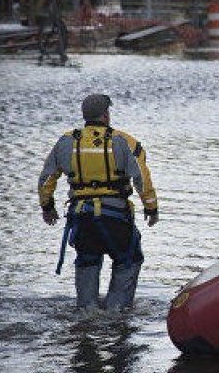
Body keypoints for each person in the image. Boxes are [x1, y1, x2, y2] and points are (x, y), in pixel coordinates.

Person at [38, 94, 159, 312]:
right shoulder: (125, 141)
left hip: (82, 217)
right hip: (116, 216)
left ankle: (87, 312)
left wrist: (47, 207)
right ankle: (117, 312)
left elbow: (47, 178)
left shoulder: (67, 141)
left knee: (87, 261)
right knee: (128, 260)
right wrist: (151, 208)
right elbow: (142, 178)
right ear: (106, 115)